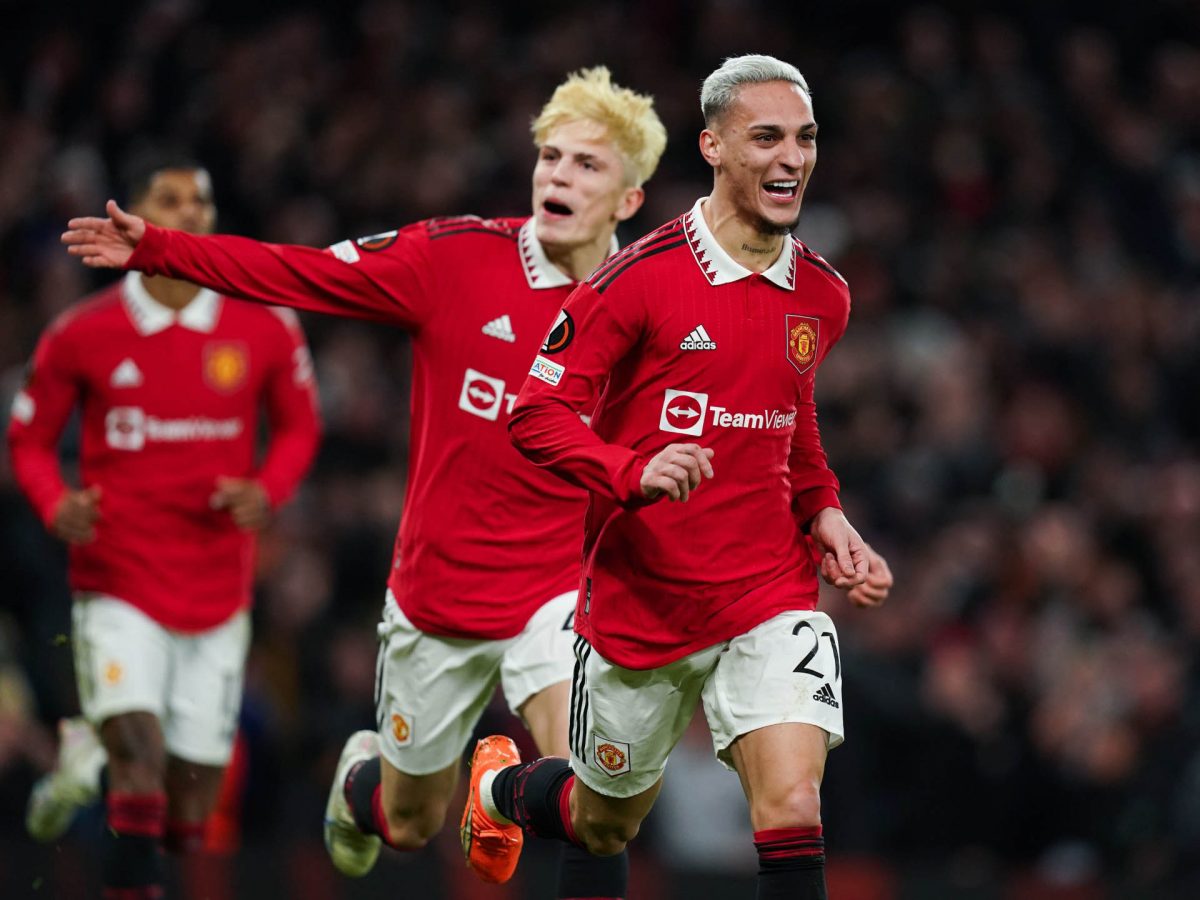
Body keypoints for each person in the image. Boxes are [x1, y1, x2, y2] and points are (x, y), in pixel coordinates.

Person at [61, 68, 666, 899]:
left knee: (592, 790)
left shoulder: (645, 308)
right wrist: (161, 250)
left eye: (586, 166)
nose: (558, 177)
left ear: (629, 199)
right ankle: (361, 781)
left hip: (560, 594)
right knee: (410, 823)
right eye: (550, 157)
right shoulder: (451, 259)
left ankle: (501, 793)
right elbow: (298, 272)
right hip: (439, 597)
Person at [460, 54, 884, 900]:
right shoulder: (639, 280)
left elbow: (789, 422)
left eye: (804, 138)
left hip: (771, 589)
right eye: (766, 137)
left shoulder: (824, 296)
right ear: (714, 146)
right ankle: (501, 791)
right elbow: (533, 414)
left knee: (795, 802)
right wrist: (630, 470)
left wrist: (824, 510)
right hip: (643, 600)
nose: (791, 158)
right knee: (605, 819)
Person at [10, 159, 321, 899]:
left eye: (201, 200)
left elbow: (301, 427)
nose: (189, 210)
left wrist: (267, 490)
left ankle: (82, 761)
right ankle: (111, 762)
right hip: (117, 581)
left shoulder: (264, 325)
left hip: (216, 589)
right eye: (170, 199)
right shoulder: (82, 332)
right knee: (142, 760)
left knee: (188, 814)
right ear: (134, 212)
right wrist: (57, 503)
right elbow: (27, 440)